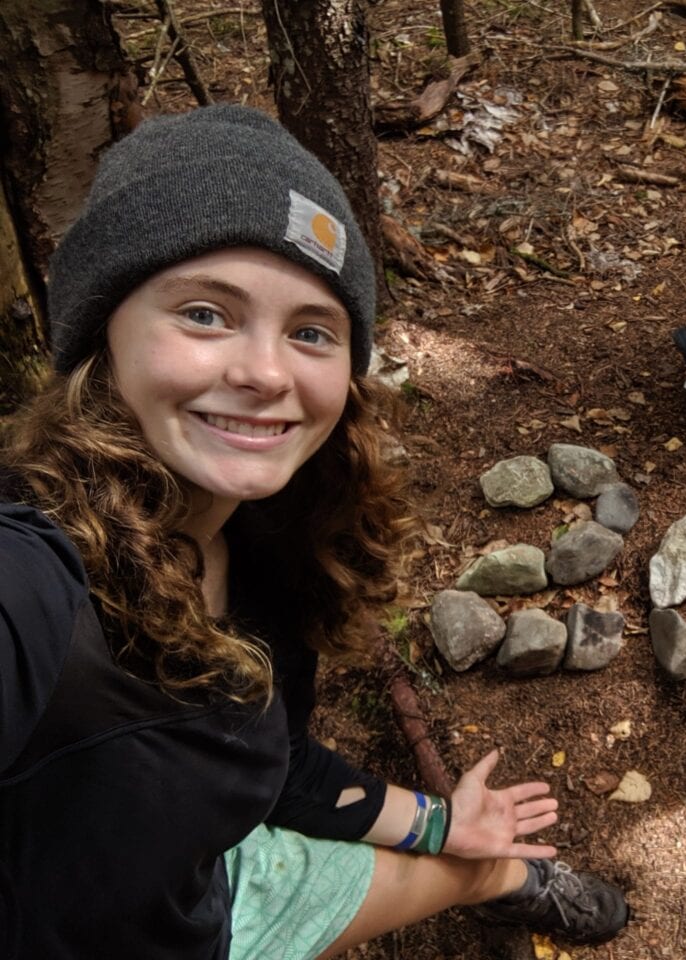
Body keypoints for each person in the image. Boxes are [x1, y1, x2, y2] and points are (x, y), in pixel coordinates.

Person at [0, 105, 629, 960]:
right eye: (205, 314)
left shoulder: (263, 539)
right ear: (100, 336)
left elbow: (278, 763)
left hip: (219, 884)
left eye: (310, 331)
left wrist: (443, 823)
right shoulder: (36, 569)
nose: (265, 372)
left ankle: (502, 879)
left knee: (471, 864)